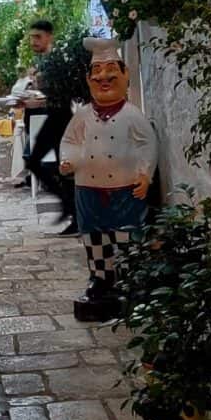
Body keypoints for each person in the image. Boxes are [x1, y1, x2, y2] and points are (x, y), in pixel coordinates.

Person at [60, 38, 157, 320]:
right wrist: (68, 159)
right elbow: (70, 140)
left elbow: (147, 145)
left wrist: (144, 174)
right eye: (97, 72)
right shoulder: (81, 117)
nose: (104, 77)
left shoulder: (133, 116)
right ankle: (100, 279)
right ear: (89, 79)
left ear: (125, 75)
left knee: (126, 233)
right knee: (94, 235)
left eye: (111, 69)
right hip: (88, 188)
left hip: (125, 189)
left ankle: (129, 278)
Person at [20, 20, 78, 236]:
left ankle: (72, 210)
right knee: (37, 162)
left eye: (38, 37)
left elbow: (62, 94)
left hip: (61, 118)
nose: (33, 41)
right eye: (32, 37)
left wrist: (38, 99)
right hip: (53, 117)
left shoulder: (56, 60)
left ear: (49, 36)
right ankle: (68, 206)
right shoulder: (44, 61)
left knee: (61, 167)